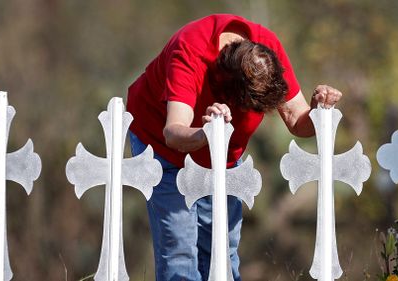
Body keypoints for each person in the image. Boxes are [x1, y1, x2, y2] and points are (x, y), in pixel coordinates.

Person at [126, 14, 342, 281]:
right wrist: (207, 134)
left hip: (222, 158)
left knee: (222, 252)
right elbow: (173, 132)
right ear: (228, 94)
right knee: (180, 251)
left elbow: (298, 122)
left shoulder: (265, 51)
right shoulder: (190, 52)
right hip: (163, 148)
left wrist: (319, 109)